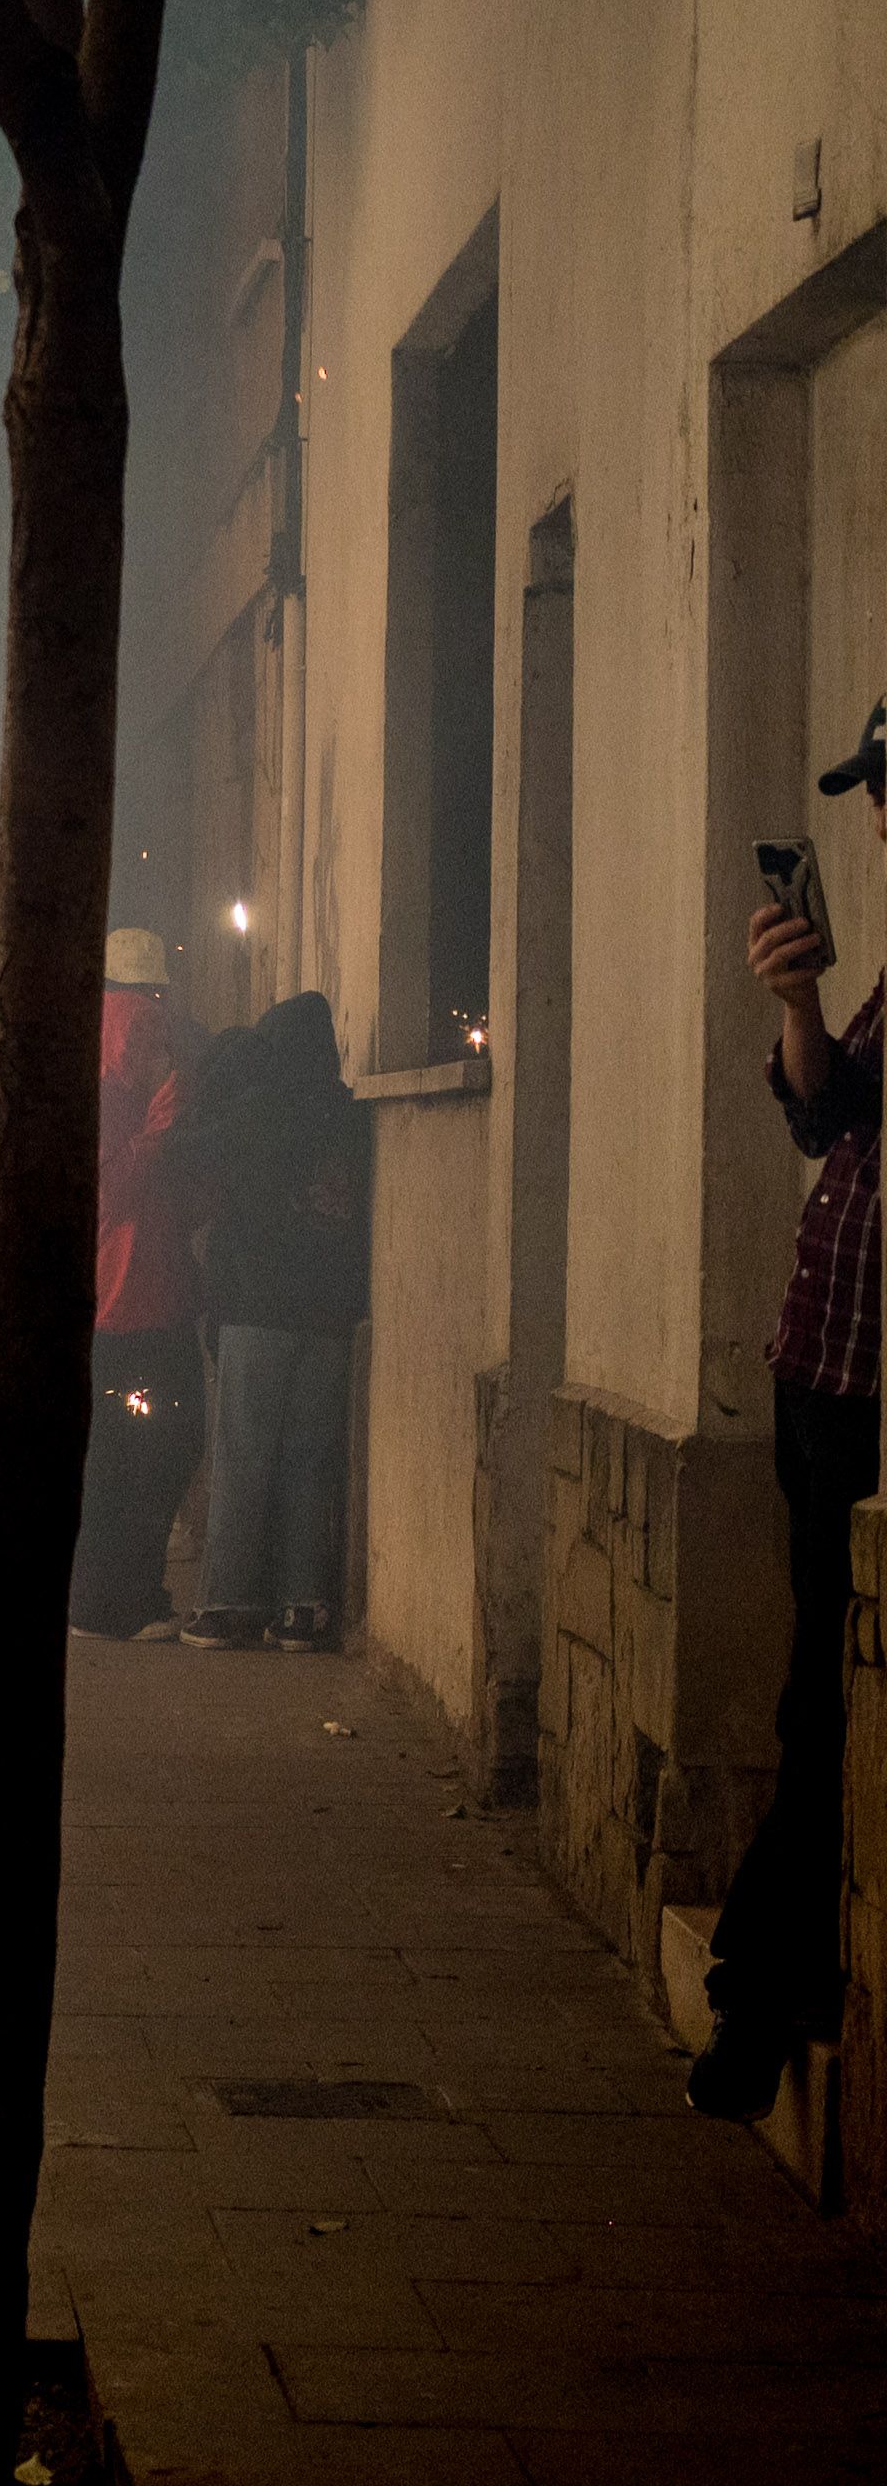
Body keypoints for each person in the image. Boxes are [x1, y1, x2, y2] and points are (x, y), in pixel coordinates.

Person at [693, 696, 887, 2119]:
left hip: (862, 1387)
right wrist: (800, 1001)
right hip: (825, 1366)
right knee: (814, 1683)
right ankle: (771, 1978)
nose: (877, 813)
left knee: (828, 1696)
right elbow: (829, 1114)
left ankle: (764, 1989)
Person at [180, 993, 371, 1651]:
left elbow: (191, 1153)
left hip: (259, 1313)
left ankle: (230, 1604)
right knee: (309, 1461)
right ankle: (304, 1607)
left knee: (244, 1455)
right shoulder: (348, 1118)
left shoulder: (260, 1110)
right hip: (330, 1319)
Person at [65, 927, 203, 1640]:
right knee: (151, 1449)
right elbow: (113, 1193)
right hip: (137, 1297)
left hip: (118, 1296)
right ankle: (116, 1599)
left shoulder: (86, 1063)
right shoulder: (128, 1073)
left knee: (117, 1453)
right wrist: (160, 1127)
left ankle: (109, 1597)